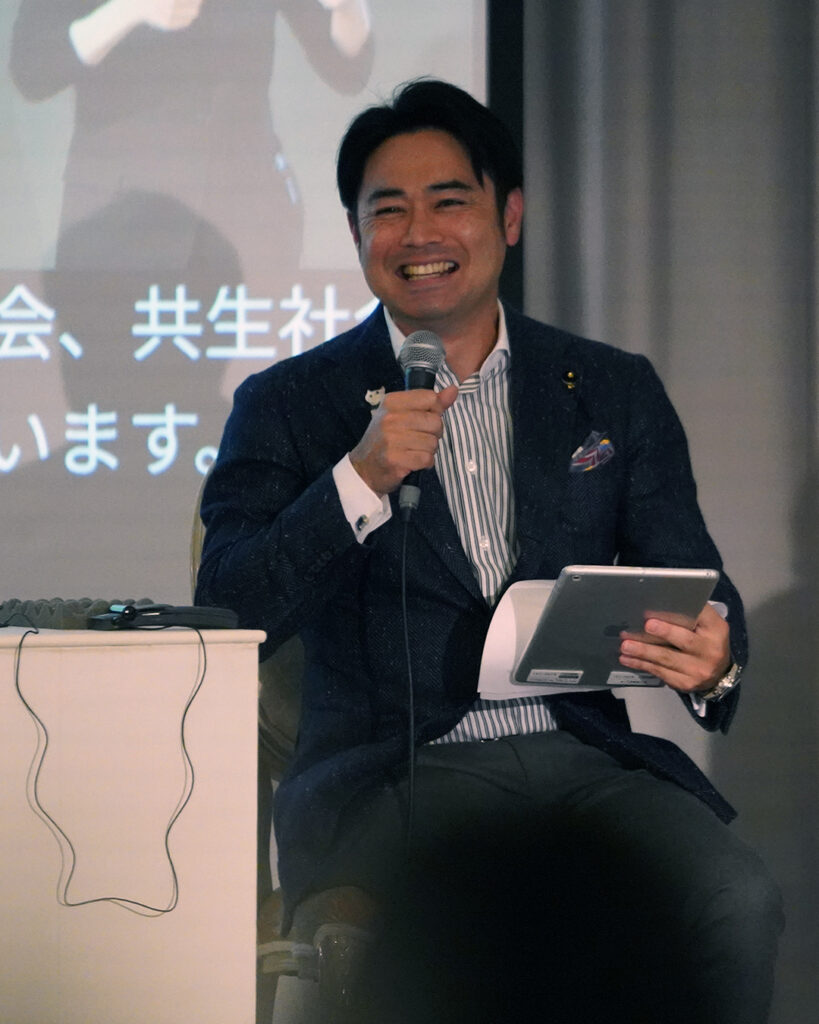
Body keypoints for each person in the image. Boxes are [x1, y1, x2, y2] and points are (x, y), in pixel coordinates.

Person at [195, 79, 783, 1022]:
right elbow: (226, 609)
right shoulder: (290, 404)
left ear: (508, 216)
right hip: (393, 774)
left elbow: (696, 581)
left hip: (582, 759)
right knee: (465, 941)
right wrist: (356, 479)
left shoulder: (609, 389)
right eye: (388, 210)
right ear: (356, 234)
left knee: (735, 898)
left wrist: (714, 660)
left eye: (448, 202)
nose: (418, 234)